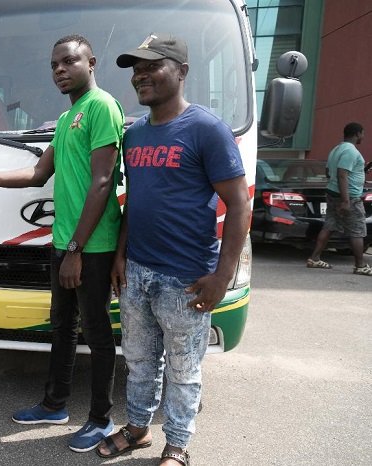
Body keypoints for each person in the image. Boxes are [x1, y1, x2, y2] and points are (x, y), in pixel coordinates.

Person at [0, 34, 124, 453]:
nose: (59, 70)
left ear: (92, 63)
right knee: (63, 326)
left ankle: (102, 420)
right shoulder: (68, 119)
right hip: (65, 242)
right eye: (54, 65)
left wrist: (75, 251)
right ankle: (55, 404)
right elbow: (37, 174)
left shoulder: (102, 107)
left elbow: (103, 181)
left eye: (69, 61)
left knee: (98, 332)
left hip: (92, 246)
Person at [95, 33, 251, 466]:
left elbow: (239, 204)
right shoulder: (136, 134)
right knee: (140, 360)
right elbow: (135, 203)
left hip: (185, 278)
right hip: (138, 272)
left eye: (152, 65)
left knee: (184, 371)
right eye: (135, 68)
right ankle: (139, 427)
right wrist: (122, 255)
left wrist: (222, 276)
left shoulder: (206, 129)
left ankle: (178, 444)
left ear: (181, 72)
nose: (140, 75)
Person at [307, 122, 371, 275]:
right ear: (357, 134)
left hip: (332, 193)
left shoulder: (337, 149)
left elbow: (330, 172)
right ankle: (360, 266)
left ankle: (314, 258)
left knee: (329, 226)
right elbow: (342, 174)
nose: (363, 136)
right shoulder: (351, 151)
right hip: (349, 198)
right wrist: (346, 201)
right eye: (363, 133)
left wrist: (361, 171)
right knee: (357, 231)